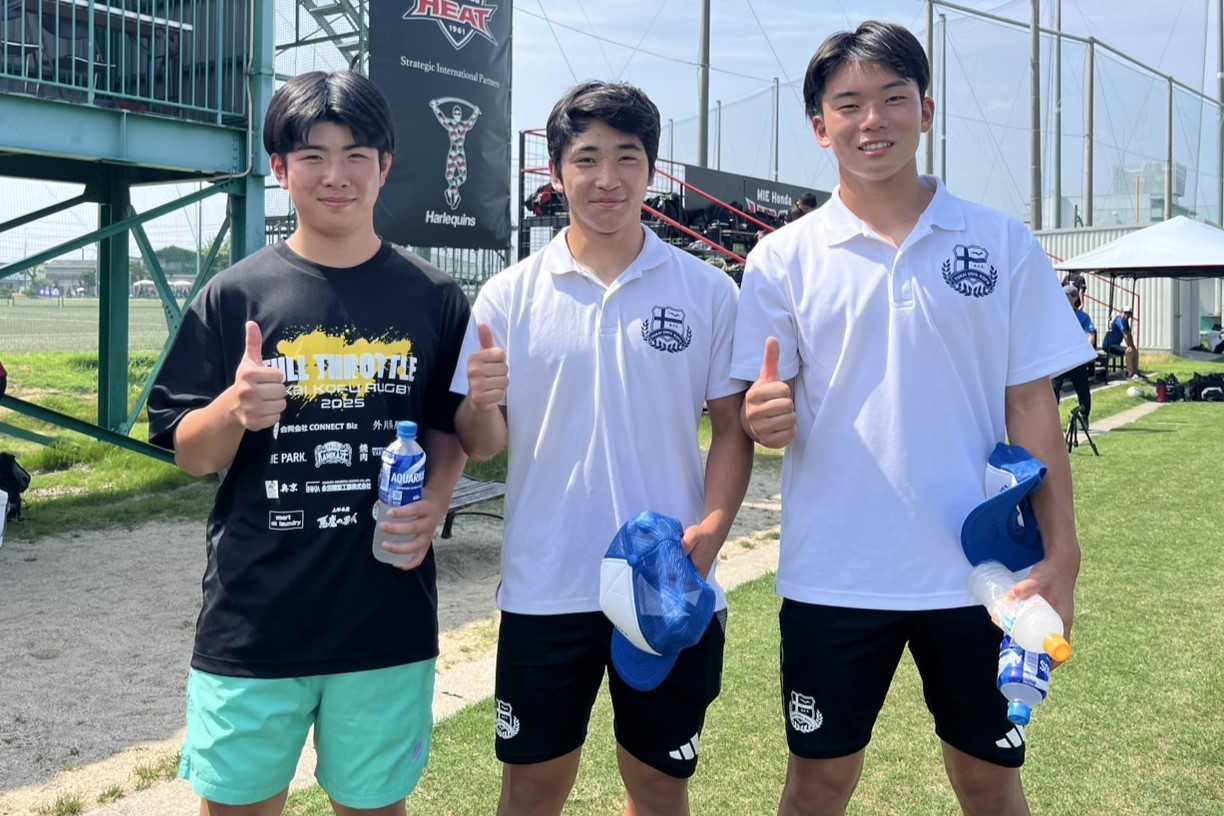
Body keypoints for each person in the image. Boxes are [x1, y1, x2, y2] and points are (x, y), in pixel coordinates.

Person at [731, 22, 1092, 816]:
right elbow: (761, 405)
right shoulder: (782, 259)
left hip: (983, 576)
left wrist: (1062, 555)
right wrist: (765, 416)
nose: (873, 121)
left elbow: (1031, 404)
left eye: (894, 98)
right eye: (848, 104)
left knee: (989, 781)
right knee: (818, 783)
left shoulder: (1000, 242)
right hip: (835, 573)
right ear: (819, 126)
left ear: (926, 111)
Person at [147, 71, 471, 816]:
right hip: (254, 619)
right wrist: (234, 408)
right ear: (280, 167)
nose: (336, 175)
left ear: (385, 166)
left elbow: (449, 426)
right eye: (313, 155)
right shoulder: (235, 296)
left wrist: (436, 500)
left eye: (356, 155)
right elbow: (189, 453)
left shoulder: (433, 297)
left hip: (385, 617)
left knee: (374, 807)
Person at [450, 80, 754, 816]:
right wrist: (480, 402)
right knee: (531, 790)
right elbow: (483, 443)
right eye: (586, 159)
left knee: (658, 786)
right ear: (558, 173)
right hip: (547, 582)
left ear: (652, 169)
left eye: (627, 157)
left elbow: (731, 428)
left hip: (668, 579)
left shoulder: (707, 291)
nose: (607, 178)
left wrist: (711, 533)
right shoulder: (508, 296)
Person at [1051, 285, 1097, 425]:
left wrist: (1086, 349)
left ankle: (1084, 416)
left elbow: (1090, 334)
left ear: (1074, 298)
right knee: (1053, 389)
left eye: (1066, 296)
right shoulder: (1055, 315)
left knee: (1083, 389)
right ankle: (1052, 420)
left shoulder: (1083, 317)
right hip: (1060, 359)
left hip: (1076, 360)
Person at [1102, 308, 1140, 379]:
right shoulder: (1119, 320)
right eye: (1125, 313)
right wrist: (1129, 346)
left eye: (1128, 313)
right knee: (1129, 351)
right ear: (1121, 312)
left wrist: (1132, 346)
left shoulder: (1125, 321)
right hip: (1109, 346)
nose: (1127, 315)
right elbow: (1125, 335)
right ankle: (1130, 373)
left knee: (1135, 350)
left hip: (1116, 345)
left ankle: (1135, 371)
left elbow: (1129, 335)